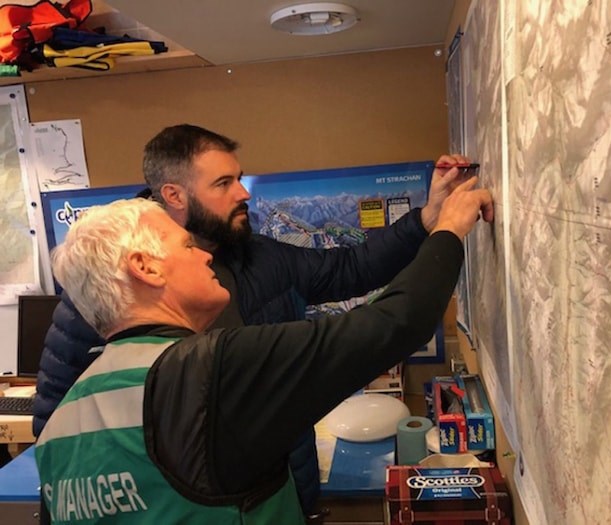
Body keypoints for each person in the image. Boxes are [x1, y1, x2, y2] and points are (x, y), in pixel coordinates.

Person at [33, 124, 476, 518]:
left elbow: (349, 269)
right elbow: (395, 323)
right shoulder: (219, 364)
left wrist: (425, 221)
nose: (243, 193)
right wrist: (450, 231)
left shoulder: (61, 436)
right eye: (224, 182)